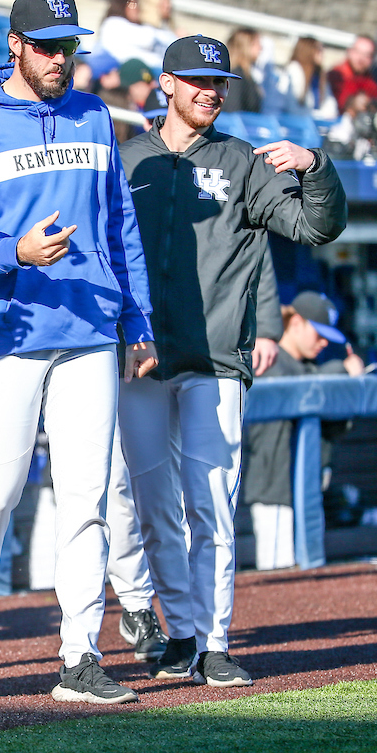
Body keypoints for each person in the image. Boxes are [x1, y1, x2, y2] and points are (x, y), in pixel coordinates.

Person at [0, 0, 156, 706]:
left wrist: (138, 321)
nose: (60, 58)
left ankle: (80, 656)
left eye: (69, 47)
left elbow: (120, 225)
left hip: (89, 330)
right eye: (47, 46)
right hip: (7, 333)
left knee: (86, 499)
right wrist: (16, 253)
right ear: (15, 45)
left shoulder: (94, 115)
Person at [118, 35, 347, 690]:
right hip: (140, 360)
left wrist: (315, 165)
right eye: (197, 80)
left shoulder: (243, 161)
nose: (210, 91)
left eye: (219, 81)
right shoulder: (126, 159)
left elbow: (316, 228)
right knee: (155, 508)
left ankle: (214, 643)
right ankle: (181, 633)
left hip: (215, 360)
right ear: (166, 83)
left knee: (211, 507)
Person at [244, 292, 365, 572]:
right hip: (275, 493)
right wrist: (343, 372)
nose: (324, 342)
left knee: (308, 574)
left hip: (306, 491)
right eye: (319, 334)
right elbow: (301, 388)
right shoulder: (270, 358)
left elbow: (332, 426)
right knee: (279, 576)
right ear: (296, 323)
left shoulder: (308, 366)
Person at [327, 35, 376, 115]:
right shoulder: (336, 76)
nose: (361, 59)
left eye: (367, 55)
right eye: (357, 52)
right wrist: (351, 103)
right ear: (349, 51)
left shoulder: (371, 81)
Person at [222, 28, 263, 114]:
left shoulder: (247, 74)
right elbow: (233, 111)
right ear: (246, 46)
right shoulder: (235, 76)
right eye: (257, 44)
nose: (261, 48)